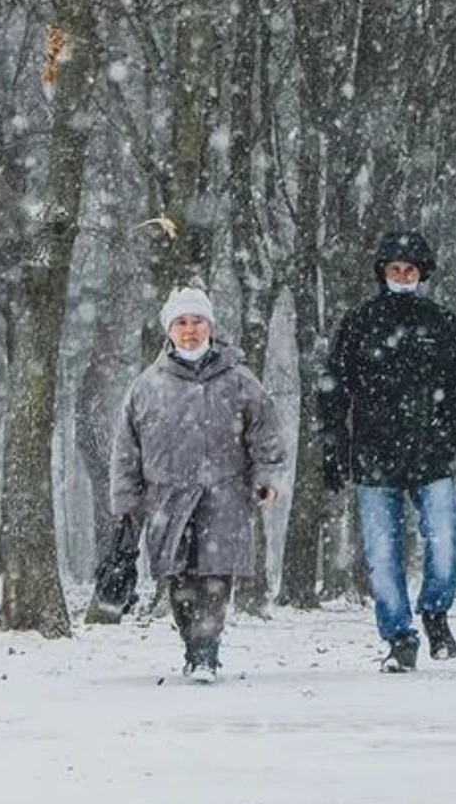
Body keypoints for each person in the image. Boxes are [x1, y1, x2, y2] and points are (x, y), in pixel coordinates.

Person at [110, 286, 285, 682]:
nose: (190, 330)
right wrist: (126, 500)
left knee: (216, 575)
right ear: (169, 330)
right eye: (182, 323)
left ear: (210, 325)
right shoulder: (147, 386)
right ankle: (193, 644)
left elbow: (266, 433)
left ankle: (206, 651)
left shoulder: (239, 381)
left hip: (224, 494)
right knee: (179, 577)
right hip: (166, 498)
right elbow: (127, 448)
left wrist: (267, 477)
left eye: (197, 321)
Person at [317, 231, 456, 672]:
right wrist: (333, 445)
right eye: (394, 270)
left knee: (443, 547)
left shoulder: (442, 324)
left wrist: (448, 433)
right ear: (381, 274)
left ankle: (436, 611)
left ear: (422, 274)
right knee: (382, 556)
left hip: (431, 457)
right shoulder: (359, 324)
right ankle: (399, 637)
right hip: (373, 457)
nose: (402, 276)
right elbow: (333, 390)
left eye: (409, 269)